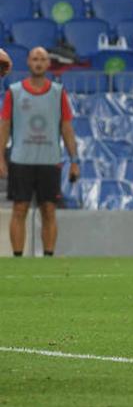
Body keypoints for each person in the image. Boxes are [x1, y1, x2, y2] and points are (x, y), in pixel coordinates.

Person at [0, 47, 79, 257]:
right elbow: (5, 126)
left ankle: (48, 256)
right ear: (28, 62)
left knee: (49, 211)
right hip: (21, 159)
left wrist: (74, 160)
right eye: (35, 58)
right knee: (19, 209)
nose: (38, 62)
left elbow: (67, 128)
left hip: (49, 159)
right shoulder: (14, 92)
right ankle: (17, 256)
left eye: (42, 59)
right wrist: (0, 158)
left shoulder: (57, 92)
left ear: (48, 64)